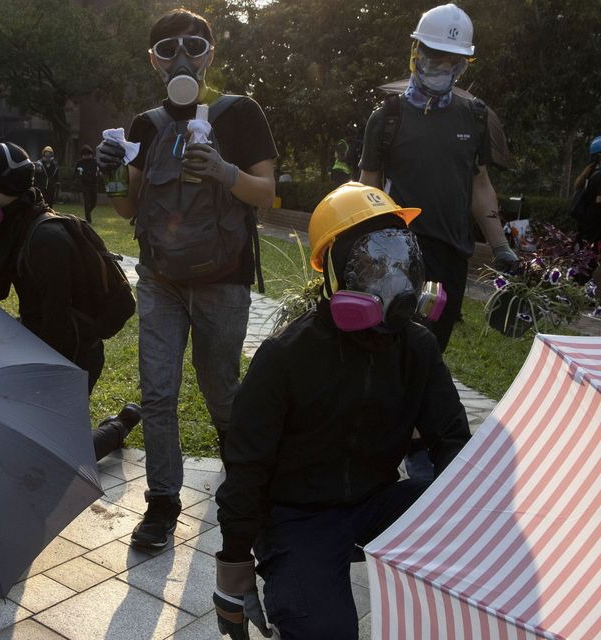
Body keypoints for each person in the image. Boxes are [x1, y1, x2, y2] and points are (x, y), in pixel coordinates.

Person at [213, 182, 471, 640]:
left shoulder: (416, 346)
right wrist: (233, 565)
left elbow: (452, 441)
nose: (393, 280)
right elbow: (246, 466)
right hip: (297, 515)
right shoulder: (285, 358)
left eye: (402, 259)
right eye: (372, 264)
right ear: (334, 275)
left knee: (475, 546)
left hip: (375, 499)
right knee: (325, 630)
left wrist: (472, 527)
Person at [96, 8, 277, 548]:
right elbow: (128, 209)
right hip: (160, 279)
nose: (182, 56)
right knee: (157, 392)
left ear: (211, 54)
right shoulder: (146, 124)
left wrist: (222, 170)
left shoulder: (240, 113)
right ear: (153, 60)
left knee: (220, 386)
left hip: (224, 277)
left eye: (195, 45)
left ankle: (240, 473)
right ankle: (162, 502)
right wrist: (108, 169)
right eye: (169, 48)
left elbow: (266, 193)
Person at [0, 141, 141, 460]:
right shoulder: (9, 229)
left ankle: (119, 426)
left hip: (72, 357)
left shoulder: (45, 239)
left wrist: (33, 387)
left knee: (53, 456)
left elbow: (58, 331)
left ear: (0, 189)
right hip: (38, 342)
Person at [359, 3, 517, 353]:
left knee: (431, 350)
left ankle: (419, 406)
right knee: (390, 346)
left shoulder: (474, 118)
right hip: (396, 255)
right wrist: (361, 245)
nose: (442, 67)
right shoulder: (387, 117)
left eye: (452, 60)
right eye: (435, 56)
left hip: (451, 259)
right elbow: (366, 186)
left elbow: (480, 185)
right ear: (416, 53)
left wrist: (500, 246)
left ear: (462, 65)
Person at [572, 135, 601, 251]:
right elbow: (599, 201)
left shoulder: (591, 173)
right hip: (596, 229)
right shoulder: (599, 176)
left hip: (586, 227)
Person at [74, 145, 99, 222]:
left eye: (88, 154)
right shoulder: (80, 163)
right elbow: (75, 174)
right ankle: (88, 219)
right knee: (87, 202)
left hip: (93, 184)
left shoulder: (94, 162)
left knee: (94, 202)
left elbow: (98, 171)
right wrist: (79, 176)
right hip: (85, 185)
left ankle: (88, 213)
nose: (87, 156)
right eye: (85, 155)